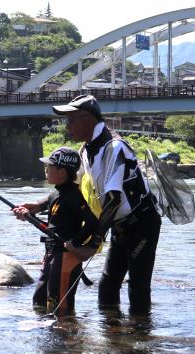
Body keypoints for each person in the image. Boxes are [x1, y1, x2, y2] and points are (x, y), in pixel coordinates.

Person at [52, 94, 161, 314]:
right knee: (107, 288)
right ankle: (114, 338)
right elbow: (71, 189)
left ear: (87, 119)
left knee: (138, 288)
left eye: (71, 120)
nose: (67, 126)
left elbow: (113, 199)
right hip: (119, 225)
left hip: (142, 224)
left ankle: (139, 342)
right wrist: (37, 206)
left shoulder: (115, 148)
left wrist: (92, 245)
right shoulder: (85, 150)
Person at [13, 147, 99, 314]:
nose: (46, 170)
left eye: (50, 167)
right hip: (51, 255)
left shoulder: (73, 196)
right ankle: (48, 338)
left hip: (65, 257)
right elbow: (49, 214)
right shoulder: (56, 194)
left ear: (62, 172)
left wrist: (75, 243)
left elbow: (92, 222)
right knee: (39, 302)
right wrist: (28, 212)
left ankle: (67, 338)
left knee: (59, 309)